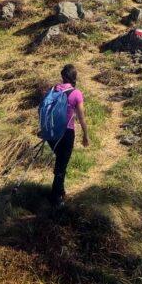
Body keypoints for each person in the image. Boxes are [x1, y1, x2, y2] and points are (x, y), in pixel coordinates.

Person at [50, 64, 89, 205]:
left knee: (60, 161)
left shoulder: (54, 89)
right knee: (62, 164)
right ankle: (56, 198)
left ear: (62, 76)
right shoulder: (76, 93)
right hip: (66, 133)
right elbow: (81, 117)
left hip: (51, 132)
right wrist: (86, 135)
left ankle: (60, 191)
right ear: (75, 77)